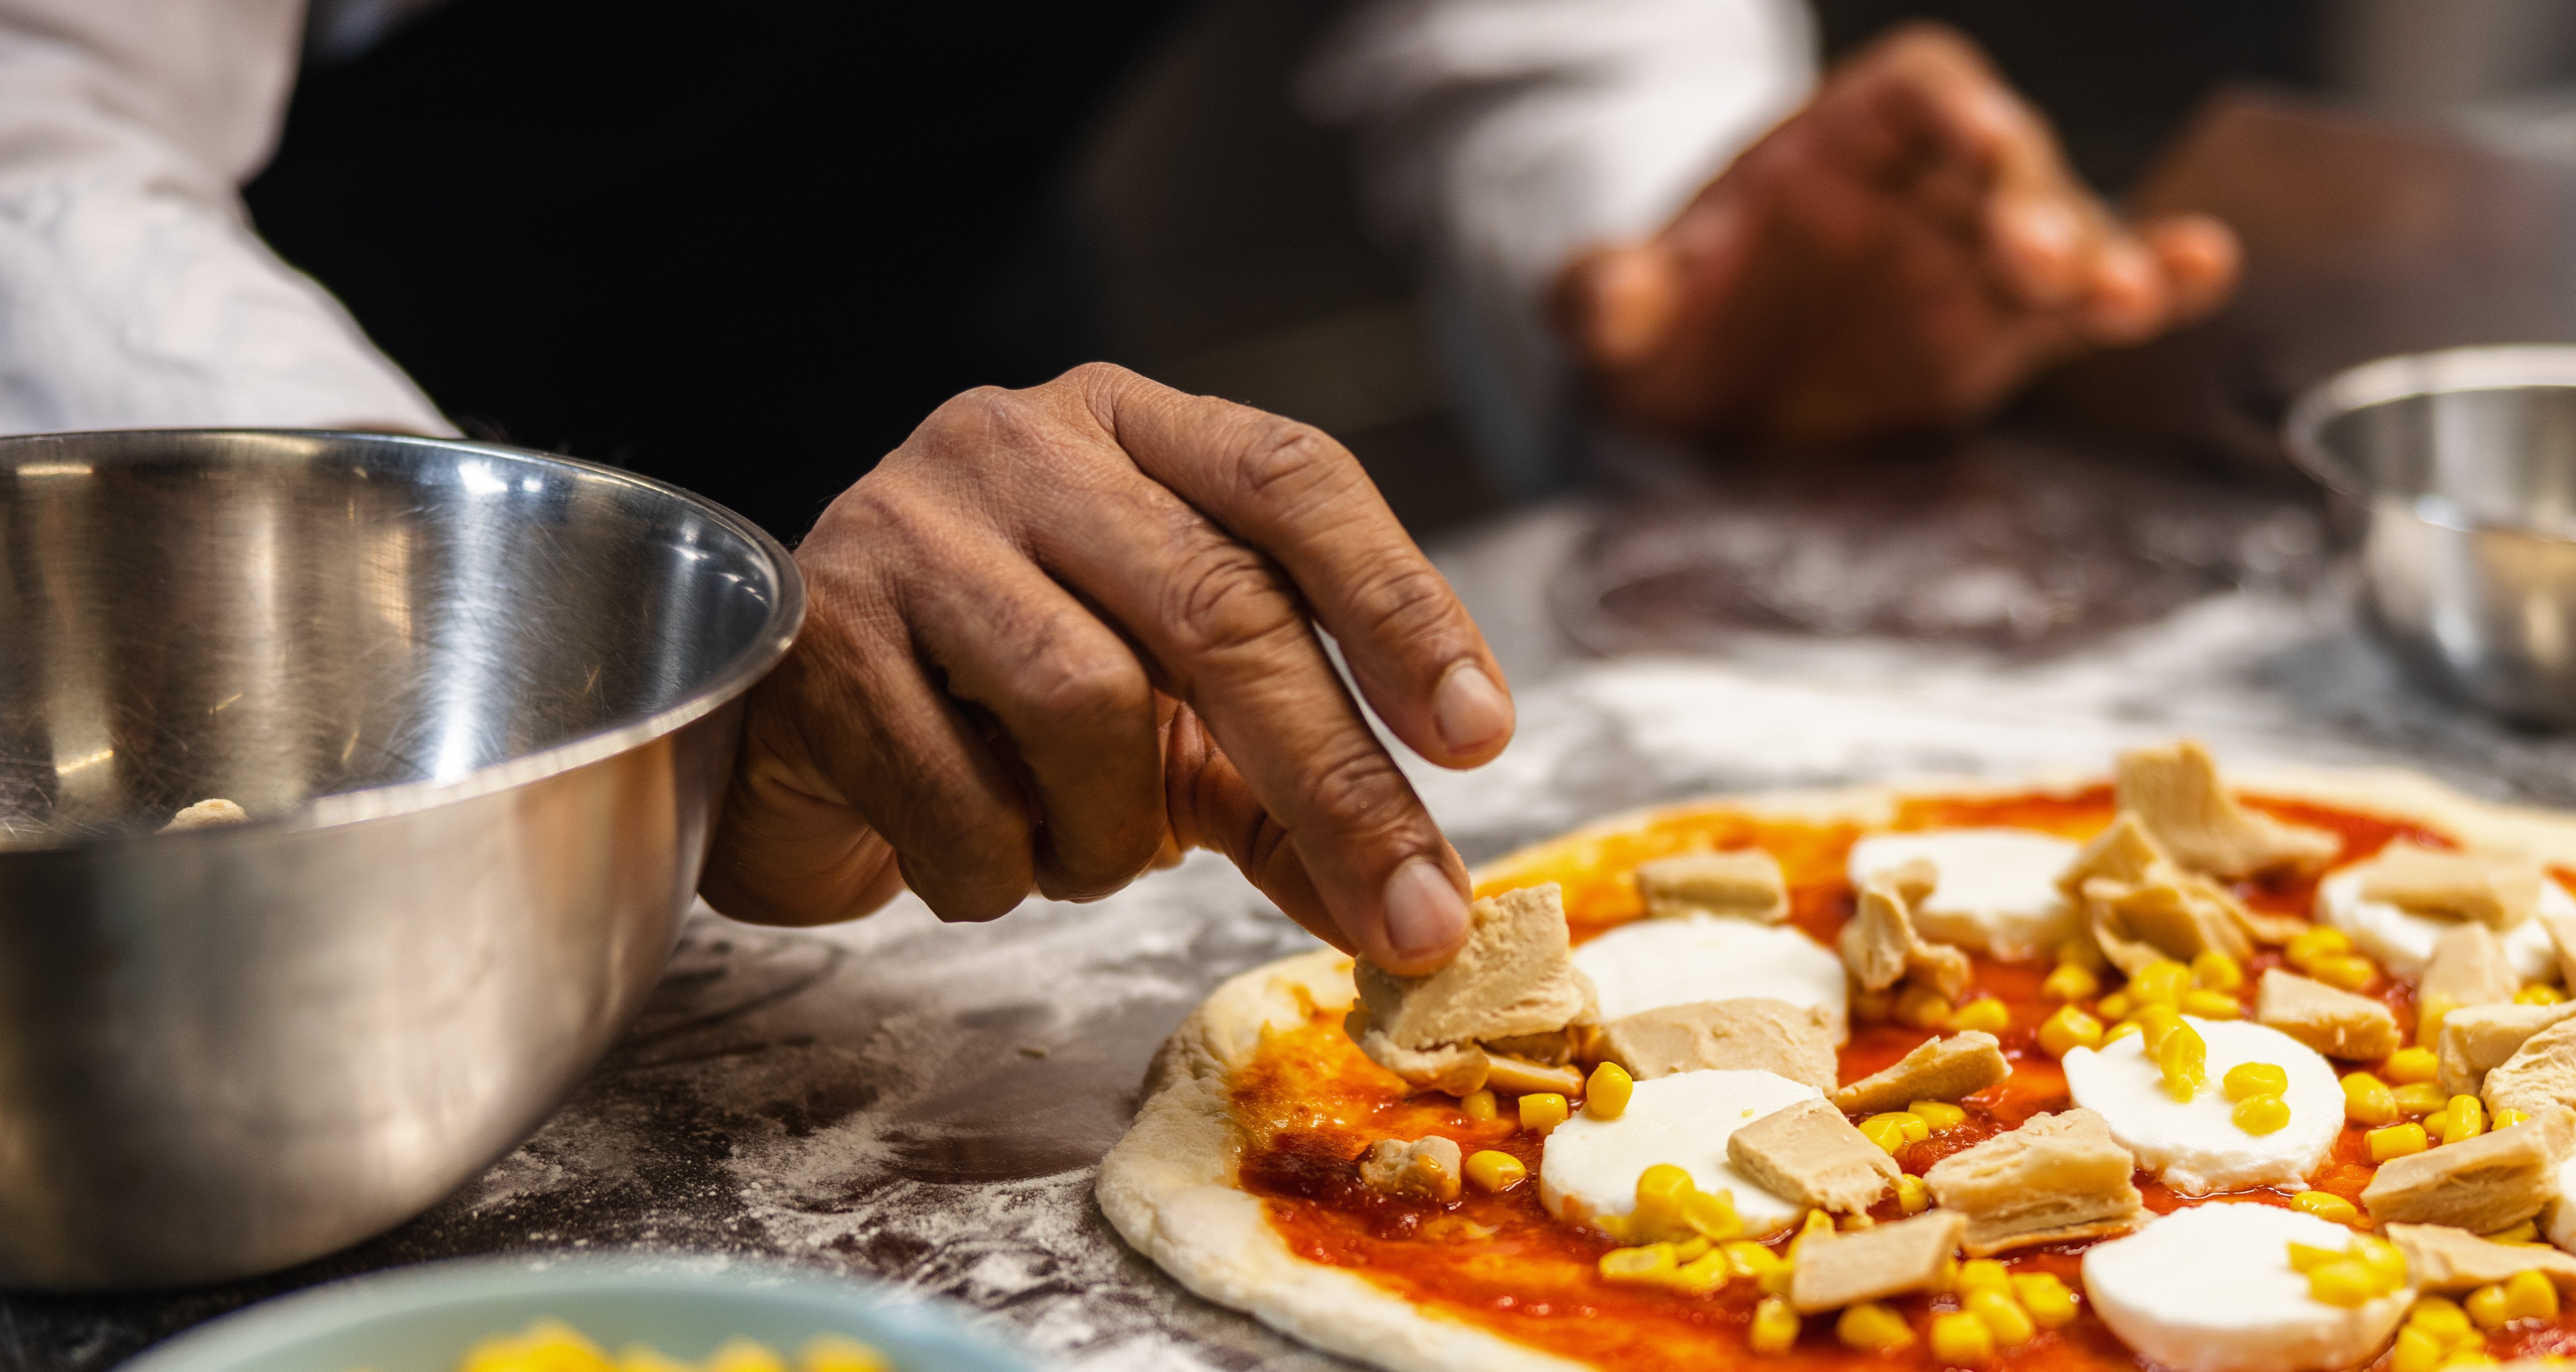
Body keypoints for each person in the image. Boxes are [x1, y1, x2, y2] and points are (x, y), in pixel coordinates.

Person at [0, 0, 2234, 971]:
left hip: (961, 429)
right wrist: (621, 652)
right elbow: (37, 134)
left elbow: (1558, 49)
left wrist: (1697, 262)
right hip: (259, 613)